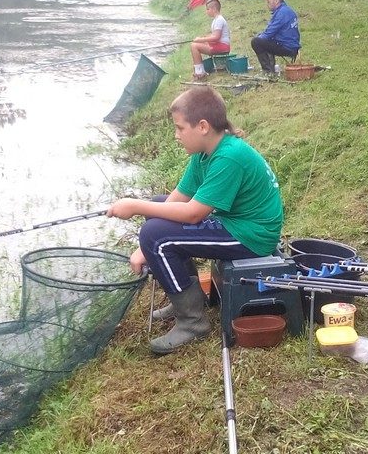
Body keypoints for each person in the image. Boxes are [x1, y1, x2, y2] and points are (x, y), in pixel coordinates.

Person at [106, 87, 283, 354]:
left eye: (179, 128)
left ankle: (192, 322)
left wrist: (133, 207)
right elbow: (178, 198)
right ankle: (189, 299)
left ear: (202, 126)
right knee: (156, 209)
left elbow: (193, 213)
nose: (176, 136)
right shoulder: (205, 152)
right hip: (237, 224)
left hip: (252, 236)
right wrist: (144, 235)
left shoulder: (229, 157)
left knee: (156, 235)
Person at [250, 0, 300, 75]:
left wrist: (259, 38)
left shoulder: (281, 13)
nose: (267, 3)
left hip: (287, 47)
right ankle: (271, 67)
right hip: (292, 45)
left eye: (269, 0)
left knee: (256, 42)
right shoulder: (287, 10)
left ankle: (268, 71)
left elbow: (269, 33)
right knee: (261, 38)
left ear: (276, 0)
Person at [188, 0, 230, 81]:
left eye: (207, 9)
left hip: (222, 47)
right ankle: (200, 70)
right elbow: (214, 35)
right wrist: (204, 38)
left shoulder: (219, 20)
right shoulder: (216, 20)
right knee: (197, 44)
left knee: (194, 46)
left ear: (214, 9)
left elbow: (216, 37)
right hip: (219, 45)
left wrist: (200, 40)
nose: (206, 11)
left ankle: (200, 73)